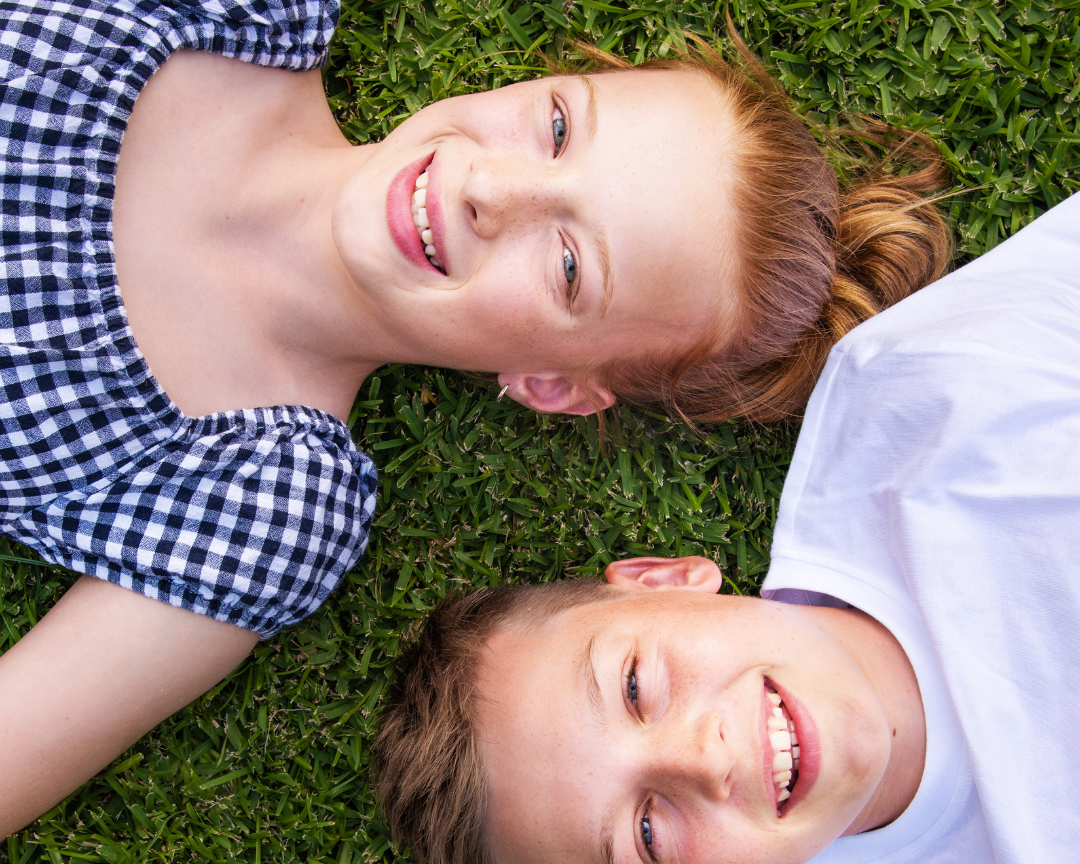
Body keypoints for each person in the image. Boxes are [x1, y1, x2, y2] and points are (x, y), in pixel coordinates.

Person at [0, 0, 951, 836]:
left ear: (550, 383)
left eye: (570, 266)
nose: (490, 191)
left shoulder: (264, 501)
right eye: (555, 126)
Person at [374, 190, 1080, 864]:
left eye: (635, 686)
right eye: (647, 834)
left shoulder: (927, 400)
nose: (704, 760)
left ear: (669, 580)